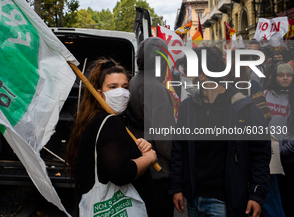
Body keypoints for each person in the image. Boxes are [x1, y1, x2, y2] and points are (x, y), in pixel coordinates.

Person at [170, 46, 271, 217]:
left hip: (224, 203)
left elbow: (260, 153)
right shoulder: (188, 107)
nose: (183, 77)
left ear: (202, 75)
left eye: (186, 72)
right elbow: (179, 149)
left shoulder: (243, 108)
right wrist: (176, 187)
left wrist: (256, 193)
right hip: (194, 200)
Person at [66, 58, 158, 217]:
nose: (121, 93)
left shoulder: (95, 119)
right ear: (99, 93)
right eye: (113, 87)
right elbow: (119, 173)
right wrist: (149, 158)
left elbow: (111, 158)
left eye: (125, 87)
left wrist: (137, 149)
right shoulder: (109, 122)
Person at [126, 37, 176, 217]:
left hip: (138, 170)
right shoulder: (156, 89)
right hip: (157, 174)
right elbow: (166, 141)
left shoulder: (132, 83)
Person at [264, 62, 294, 217]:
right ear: (274, 77)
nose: (285, 78)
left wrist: (283, 150)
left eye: (289, 75)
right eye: (281, 75)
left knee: (288, 198)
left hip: (288, 159)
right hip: (268, 157)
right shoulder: (265, 94)